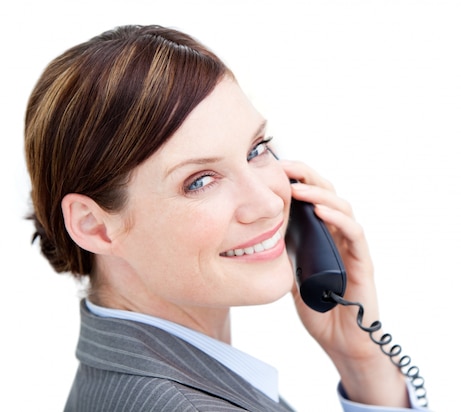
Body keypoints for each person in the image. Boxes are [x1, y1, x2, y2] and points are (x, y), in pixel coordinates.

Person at [24, 24, 429, 411]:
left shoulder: (128, 376)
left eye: (257, 149)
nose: (269, 204)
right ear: (94, 225)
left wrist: (362, 363)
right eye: (200, 181)